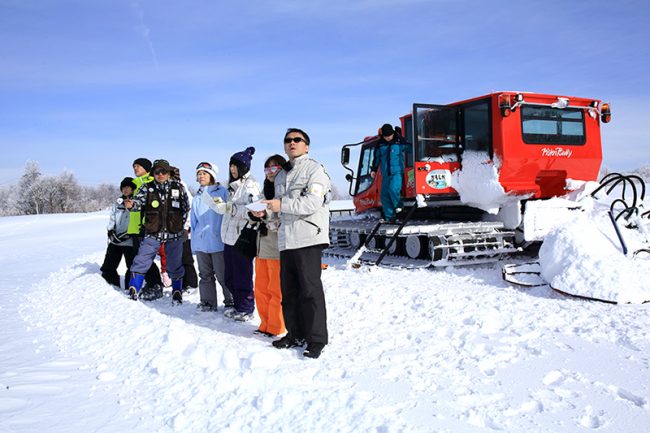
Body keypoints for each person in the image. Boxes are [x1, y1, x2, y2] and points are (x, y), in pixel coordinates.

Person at [264, 128, 330, 359]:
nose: (292, 143)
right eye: (287, 140)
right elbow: (278, 211)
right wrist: (266, 215)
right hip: (286, 240)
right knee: (289, 291)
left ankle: (316, 339)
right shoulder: (281, 175)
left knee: (310, 291)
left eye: (297, 140)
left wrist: (281, 205)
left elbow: (312, 203)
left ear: (306, 146)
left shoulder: (315, 170)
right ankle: (295, 334)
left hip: (308, 237)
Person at [125, 159, 190, 303]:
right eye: (157, 172)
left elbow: (185, 207)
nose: (160, 174)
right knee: (141, 259)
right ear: (153, 173)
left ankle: (177, 290)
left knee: (174, 263)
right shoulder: (146, 188)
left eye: (163, 172)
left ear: (168, 173)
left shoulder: (178, 187)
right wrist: (131, 205)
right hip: (152, 231)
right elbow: (138, 203)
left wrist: (180, 225)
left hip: (174, 233)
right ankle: (134, 288)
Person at [215, 147, 261, 322]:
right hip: (229, 237)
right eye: (231, 166)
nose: (233, 169)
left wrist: (231, 208)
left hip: (242, 237)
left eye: (237, 166)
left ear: (245, 168)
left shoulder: (250, 186)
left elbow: (255, 209)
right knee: (230, 276)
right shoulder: (232, 186)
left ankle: (246, 308)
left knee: (242, 275)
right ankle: (238, 305)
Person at [249, 154, 287, 337]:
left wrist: (266, 215)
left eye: (275, 168)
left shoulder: (285, 192)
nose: (270, 172)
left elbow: (284, 217)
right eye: (267, 169)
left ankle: (276, 326)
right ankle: (264, 324)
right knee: (261, 289)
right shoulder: (264, 191)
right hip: (262, 245)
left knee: (276, 290)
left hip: (277, 247)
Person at [190, 161, 233, 311]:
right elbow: (193, 221)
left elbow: (228, 213)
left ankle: (231, 301)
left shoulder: (223, 192)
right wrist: (195, 241)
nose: (201, 176)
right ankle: (208, 302)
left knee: (223, 275)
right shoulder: (198, 196)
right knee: (205, 275)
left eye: (204, 173)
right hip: (202, 243)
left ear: (212, 175)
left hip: (219, 242)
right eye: (199, 173)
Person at [128, 158, 164, 293]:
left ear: (146, 168)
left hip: (146, 227)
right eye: (134, 166)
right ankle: (144, 283)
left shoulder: (150, 183)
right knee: (137, 257)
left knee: (145, 257)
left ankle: (155, 283)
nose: (135, 168)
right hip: (134, 227)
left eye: (138, 166)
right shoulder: (134, 184)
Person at [100, 177, 137, 288]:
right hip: (116, 240)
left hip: (129, 241)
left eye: (128, 187)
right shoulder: (117, 203)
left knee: (131, 266)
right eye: (123, 188)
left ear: (133, 189)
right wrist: (111, 231)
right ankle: (111, 285)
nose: (125, 190)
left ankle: (129, 287)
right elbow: (112, 218)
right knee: (108, 266)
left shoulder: (137, 203)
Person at [370, 124, 408, 222]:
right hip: (386, 173)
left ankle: (399, 207)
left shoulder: (399, 141)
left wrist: (402, 138)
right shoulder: (380, 144)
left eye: (389, 136)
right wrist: (374, 169)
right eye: (385, 136)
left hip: (397, 172)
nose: (387, 138)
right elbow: (377, 158)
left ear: (392, 133)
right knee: (384, 195)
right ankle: (390, 217)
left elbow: (410, 148)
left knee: (393, 189)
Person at [170, 166, 198, 291]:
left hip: (182, 228)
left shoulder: (180, 186)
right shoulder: (165, 188)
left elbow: (189, 207)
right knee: (175, 257)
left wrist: (186, 226)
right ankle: (180, 282)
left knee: (185, 256)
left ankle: (191, 283)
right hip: (171, 229)